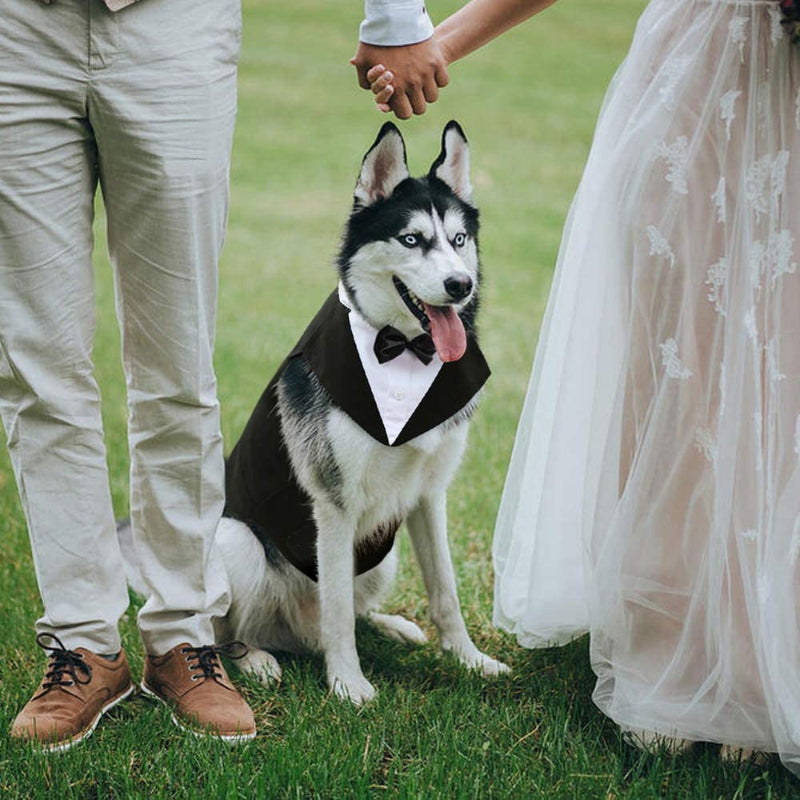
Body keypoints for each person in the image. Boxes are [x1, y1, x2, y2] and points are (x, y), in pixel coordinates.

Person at [358, 0, 800, 773]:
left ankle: (770, 642)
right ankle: (675, 643)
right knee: (680, 366)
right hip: (702, 81)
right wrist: (438, 44)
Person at [0, 0, 451, 752]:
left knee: (176, 362)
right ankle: (81, 645)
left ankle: (186, 632)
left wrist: (395, 18)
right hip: (15, 31)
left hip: (171, 26)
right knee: (38, 368)